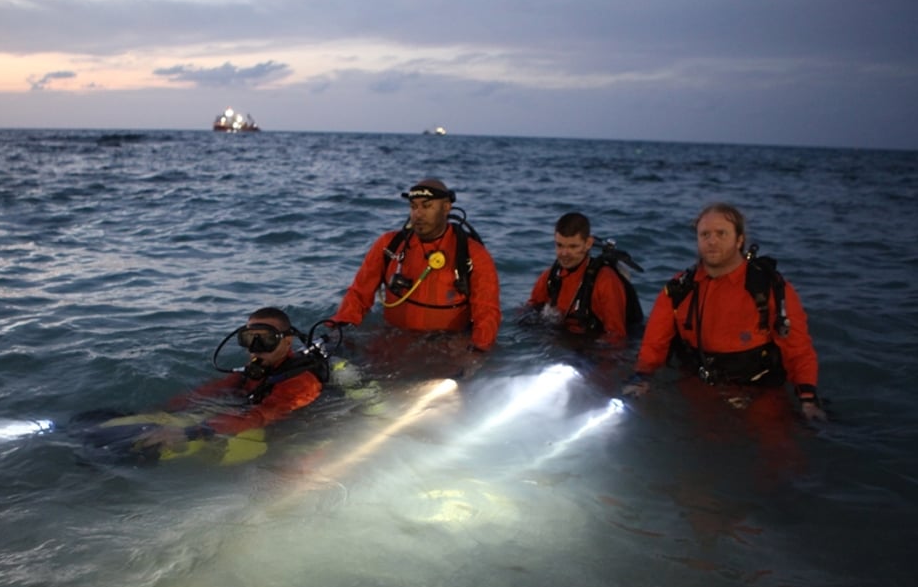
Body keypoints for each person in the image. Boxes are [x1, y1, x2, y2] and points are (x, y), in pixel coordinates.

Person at [623, 202, 826, 420]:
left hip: (760, 391)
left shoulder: (770, 288)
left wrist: (808, 399)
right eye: (705, 234)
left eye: (721, 234)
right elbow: (655, 344)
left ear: (739, 240)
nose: (712, 241)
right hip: (698, 388)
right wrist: (641, 378)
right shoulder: (679, 289)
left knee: (779, 449)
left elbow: (798, 350)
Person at [330, 178, 502, 352]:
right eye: (414, 207)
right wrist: (341, 330)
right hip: (393, 341)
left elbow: (487, 312)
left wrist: (477, 352)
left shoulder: (473, 254)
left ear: (446, 207)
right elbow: (359, 294)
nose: (418, 214)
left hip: (447, 348)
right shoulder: (389, 245)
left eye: (427, 206)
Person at [134, 307, 325, 452]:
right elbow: (211, 391)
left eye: (266, 340)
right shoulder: (255, 370)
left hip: (283, 429)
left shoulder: (301, 382)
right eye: (250, 339)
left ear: (287, 341)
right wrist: (163, 408)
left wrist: (192, 432)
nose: (255, 348)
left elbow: (263, 414)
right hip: (241, 414)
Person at [523, 211, 643, 344]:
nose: (564, 253)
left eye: (573, 246)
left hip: (591, 348)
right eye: (559, 245)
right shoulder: (550, 277)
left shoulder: (606, 282)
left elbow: (616, 337)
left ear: (588, 243)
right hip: (561, 341)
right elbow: (531, 308)